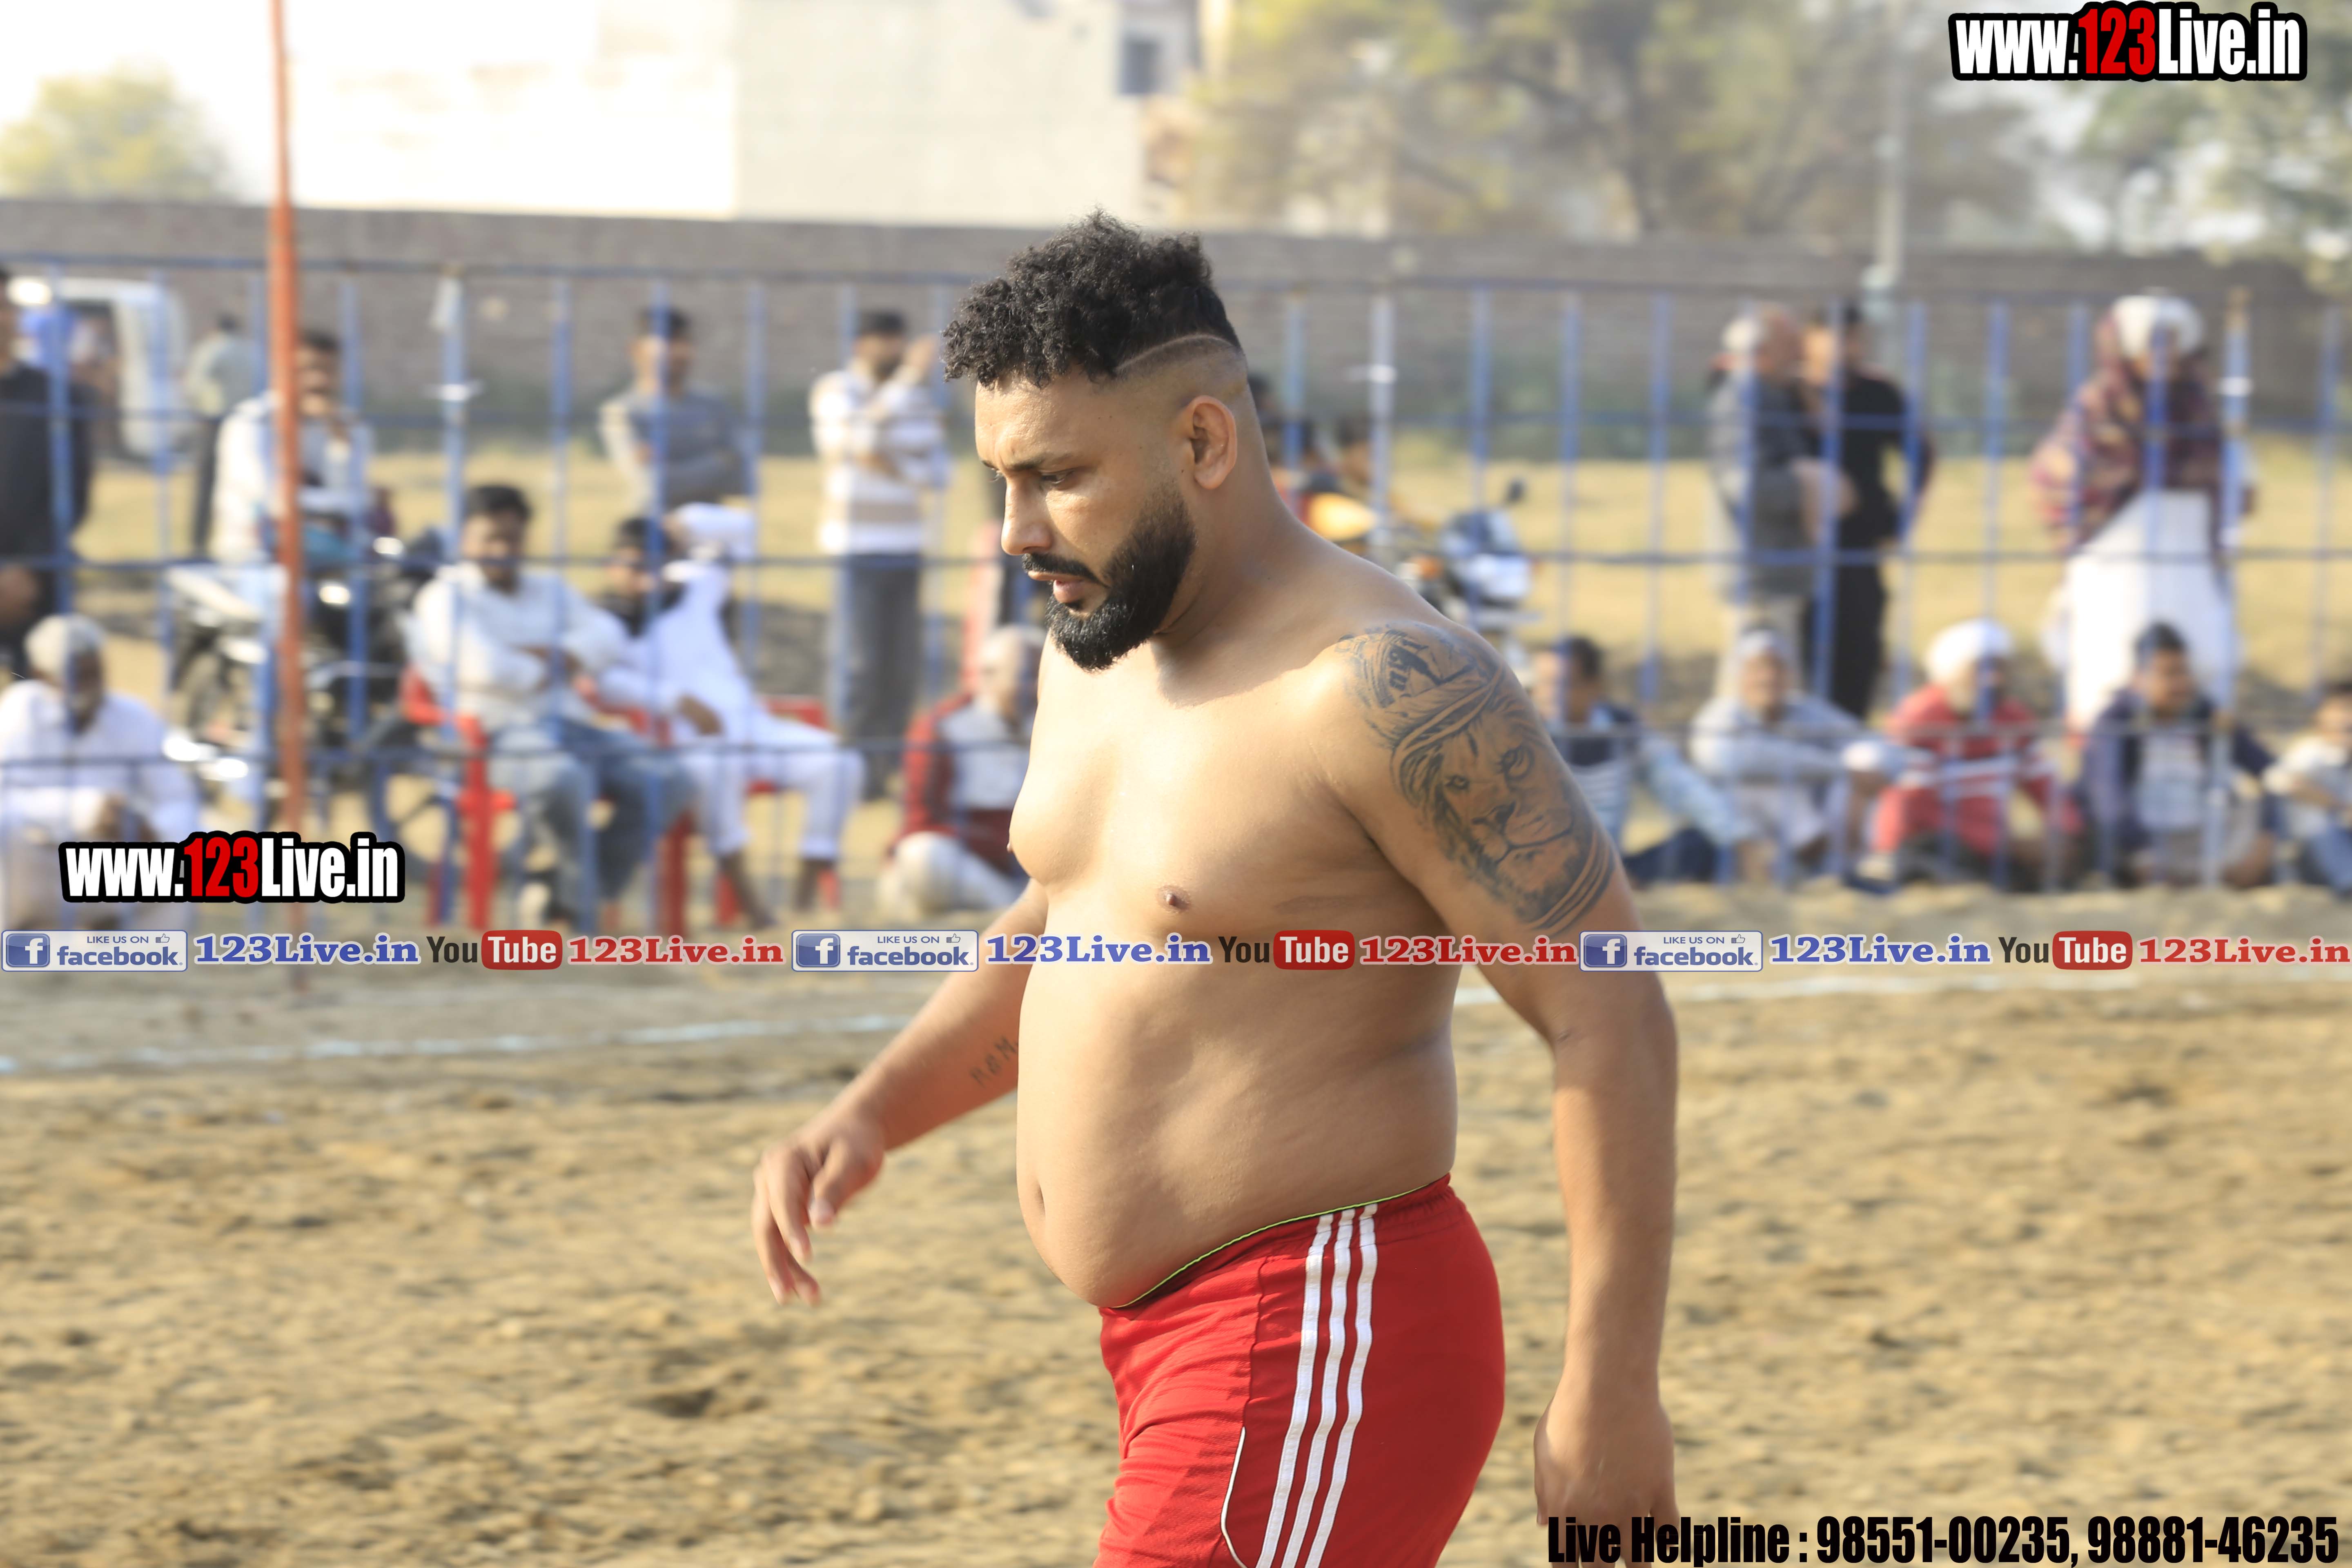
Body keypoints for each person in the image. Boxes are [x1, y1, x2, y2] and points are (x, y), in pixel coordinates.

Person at [749, 215, 1677, 1568]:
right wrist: (875, 1111)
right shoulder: (1092, 639)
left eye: (1059, 477)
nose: (1015, 530)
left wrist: (1612, 1387)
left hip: (1315, 1342)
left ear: (1202, 442)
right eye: (1001, 481)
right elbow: (1080, 921)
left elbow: (1610, 1015)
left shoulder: (1385, 685)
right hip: (1168, 1354)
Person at [408, 484, 688, 931]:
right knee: (563, 779)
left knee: (670, 778)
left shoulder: (550, 589)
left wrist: (537, 655)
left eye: (513, 538)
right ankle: (582, 910)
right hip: (493, 734)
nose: (502, 550)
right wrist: (564, 658)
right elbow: (484, 667)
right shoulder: (444, 598)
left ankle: (562, 893)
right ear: (464, 539)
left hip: (571, 724)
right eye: (490, 538)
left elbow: (610, 635)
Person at [596, 505, 862, 926]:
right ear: (613, 565)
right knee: (712, 771)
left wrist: (685, 524)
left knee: (840, 761)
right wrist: (677, 701)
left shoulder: (694, 587)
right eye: (635, 565)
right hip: (684, 740)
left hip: (752, 727)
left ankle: (804, 902)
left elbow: (744, 531)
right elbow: (603, 683)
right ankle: (753, 907)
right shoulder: (604, 622)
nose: (647, 577)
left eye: (655, 564)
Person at [2028, 294, 2246, 733]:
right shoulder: (2100, 404)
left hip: (2186, 546)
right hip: (2118, 550)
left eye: (2173, 344)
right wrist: (2135, 475)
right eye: (2154, 344)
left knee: (2198, 646)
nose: (2165, 356)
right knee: (2112, 650)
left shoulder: (2197, 406)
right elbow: (2057, 476)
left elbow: (2225, 476)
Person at [809, 308, 949, 798]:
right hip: (857, 547)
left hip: (907, 545)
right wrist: (906, 382)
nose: (894, 350)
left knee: (900, 665)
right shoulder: (836, 390)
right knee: (859, 663)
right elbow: (855, 442)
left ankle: (884, 768)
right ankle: (851, 768)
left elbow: (940, 472)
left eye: (898, 341)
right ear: (860, 345)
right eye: (883, 341)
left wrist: (889, 463)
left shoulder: (914, 400)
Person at [0, 614, 198, 929]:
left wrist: (153, 831)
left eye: (96, 673)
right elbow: (7, 800)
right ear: (42, 674)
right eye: (78, 674)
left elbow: (177, 798)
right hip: (41, 863)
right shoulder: (20, 711)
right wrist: (89, 810)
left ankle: (143, 952)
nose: (91, 685)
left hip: (113, 867)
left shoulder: (133, 716)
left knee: (186, 852)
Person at [1529, 635, 1767, 885]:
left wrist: (1738, 837)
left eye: (1561, 684)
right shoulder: (1525, 734)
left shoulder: (1622, 727)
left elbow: (1681, 786)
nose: (1547, 695)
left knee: (1701, 844)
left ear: (1595, 686)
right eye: (1541, 684)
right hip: (1543, 863)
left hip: (1610, 864)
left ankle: (1619, 881)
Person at [1704, 306, 1851, 694]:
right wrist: (1810, 485)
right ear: (1763, 352)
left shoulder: (1775, 397)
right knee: (1753, 695)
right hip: (1758, 579)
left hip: (1779, 575)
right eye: (1789, 345)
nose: (1800, 354)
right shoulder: (1743, 400)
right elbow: (1745, 486)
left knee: (1782, 697)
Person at [1797, 302, 1934, 719]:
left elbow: (1921, 454)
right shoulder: (1787, 391)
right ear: (1811, 339)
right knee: (1805, 654)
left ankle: (1851, 734)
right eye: (1836, 336)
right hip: (1799, 547)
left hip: (1860, 545)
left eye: (1854, 338)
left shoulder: (1877, 392)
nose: (1846, 347)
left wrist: (1901, 521)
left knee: (1860, 647)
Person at [2075, 621, 2276, 889]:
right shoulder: (2116, 722)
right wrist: (2142, 851)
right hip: (2145, 843)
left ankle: (2220, 873)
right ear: (2139, 677)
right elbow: (2109, 797)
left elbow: (2269, 770)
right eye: (2170, 674)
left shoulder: (2203, 712)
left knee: (2263, 804)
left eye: (2185, 672)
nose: (2182, 684)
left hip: (2203, 836)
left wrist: (2266, 836)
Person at [1869, 619, 2066, 889]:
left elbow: (2047, 787)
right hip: (1931, 846)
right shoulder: (1919, 720)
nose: (1994, 679)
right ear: (1949, 673)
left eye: (2000, 668)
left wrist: (2065, 834)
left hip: (1992, 847)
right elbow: (1916, 810)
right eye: (1980, 668)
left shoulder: (2013, 719)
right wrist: (2004, 844)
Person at [1690, 627, 1890, 880]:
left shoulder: (1807, 710)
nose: (1768, 678)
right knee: (1763, 781)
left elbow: (1872, 742)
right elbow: (1730, 759)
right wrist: (1838, 767)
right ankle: (1806, 851)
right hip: (1740, 833)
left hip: (1812, 826)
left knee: (1860, 771)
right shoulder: (1720, 716)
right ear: (1739, 675)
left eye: (1778, 668)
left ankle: (1847, 864)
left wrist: (1862, 768)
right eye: (1757, 668)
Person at [879, 623, 1042, 920]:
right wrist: (998, 843)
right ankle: (1017, 912)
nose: (1033, 687)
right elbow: (923, 820)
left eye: (1040, 676)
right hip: (971, 859)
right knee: (922, 855)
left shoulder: (1061, 725)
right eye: (1024, 676)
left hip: (1038, 863)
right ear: (988, 676)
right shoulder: (943, 728)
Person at [208, 327, 379, 572]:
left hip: (334, 553)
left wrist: (339, 442)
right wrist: (334, 505)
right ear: (282, 371)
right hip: (257, 557)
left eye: (328, 370)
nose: (319, 381)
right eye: (309, 369)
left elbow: (358, 498)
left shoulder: (348, 426)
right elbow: (271, 500)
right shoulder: (251, 423)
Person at [0, 267, 97, 678]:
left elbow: (72, 491)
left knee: (49, 692)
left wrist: (24, 569)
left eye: (5, 305)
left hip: (36, 584)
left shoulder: (56, 396)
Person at [598, 306, 747, 515]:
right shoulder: (623, 412)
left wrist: (669, 471)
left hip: (710, 524)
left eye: (684, 341)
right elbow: (653, 484)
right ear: (636, 349)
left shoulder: (714, 406)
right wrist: (721, 461)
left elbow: (744, 482)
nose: (678, 350)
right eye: (668, 341)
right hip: (652, 525)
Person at [2265, 679, 2352, 898]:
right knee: (2320, 825)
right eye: (2342, 708)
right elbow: (2281, 781)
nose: (2348, 718)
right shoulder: (2311, 752)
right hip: (2306, 851)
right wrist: (2338, 806)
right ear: (2321, 715)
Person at [182, 312, 260, 554]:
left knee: (207, 484)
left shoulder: (214, 348)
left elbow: (194, 384)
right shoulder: (252, 351)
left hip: (216, 421)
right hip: (250, 422)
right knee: (248, 485)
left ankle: (199, 544)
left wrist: (196, 407)